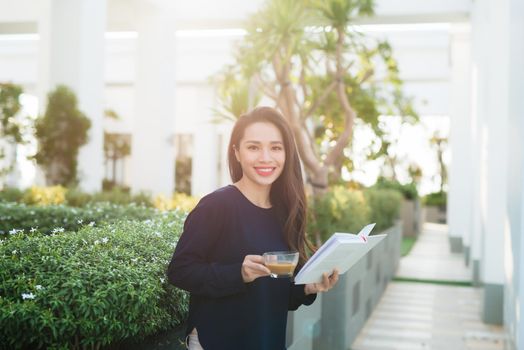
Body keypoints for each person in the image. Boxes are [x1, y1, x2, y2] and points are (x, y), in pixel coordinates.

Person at [167, 106, 339, 350]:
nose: (266, 158)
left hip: (266, 340)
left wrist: (309, 287)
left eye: (276, 148)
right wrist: (239, 273)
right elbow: (180, 271)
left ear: (287, 154)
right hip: (217, 340)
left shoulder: (287, 211)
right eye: (253, 147)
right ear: (236, 152)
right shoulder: (217, 205)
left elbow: (276, 295)